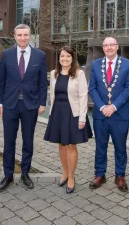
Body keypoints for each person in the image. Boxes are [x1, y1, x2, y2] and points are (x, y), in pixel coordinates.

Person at [0, 24, 47, 192]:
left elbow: (42, 83)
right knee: (9, 141)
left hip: (30, 105)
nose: (23, 38)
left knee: (28, 141)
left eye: (26, 35)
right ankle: (8, 175)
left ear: (30, 36)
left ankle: (25, 173)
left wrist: (42, 103)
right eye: (19, 35)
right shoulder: (7, 55)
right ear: (15, 36)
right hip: (10, 104)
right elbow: (0, 80)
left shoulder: (39, 55)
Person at [88, 37, 129, 192]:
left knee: (120, 146)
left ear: (117, 46)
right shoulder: (95, 65)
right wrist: (102, 107)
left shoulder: (127, 65)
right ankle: (100, 174)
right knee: (100, 146)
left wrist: (113, 107)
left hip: (120, 114)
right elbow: (92, 88)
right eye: (106, 45)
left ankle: (120, 175)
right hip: (100, 115)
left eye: (111, 45)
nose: (109, 47)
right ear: (103, 48)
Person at [44, 46, 91, 194]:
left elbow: (84, 97)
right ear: (59, 58)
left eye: (68, 56)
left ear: (72, 59)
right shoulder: (53, 74)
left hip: (73, 113)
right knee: (61, 144)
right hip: (57, 112)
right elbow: (52, 95)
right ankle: (64, 173)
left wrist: (82, 118)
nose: (65, 59)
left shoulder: (79, 74)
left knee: (71, 145)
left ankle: (71, 177)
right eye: (62, 56)